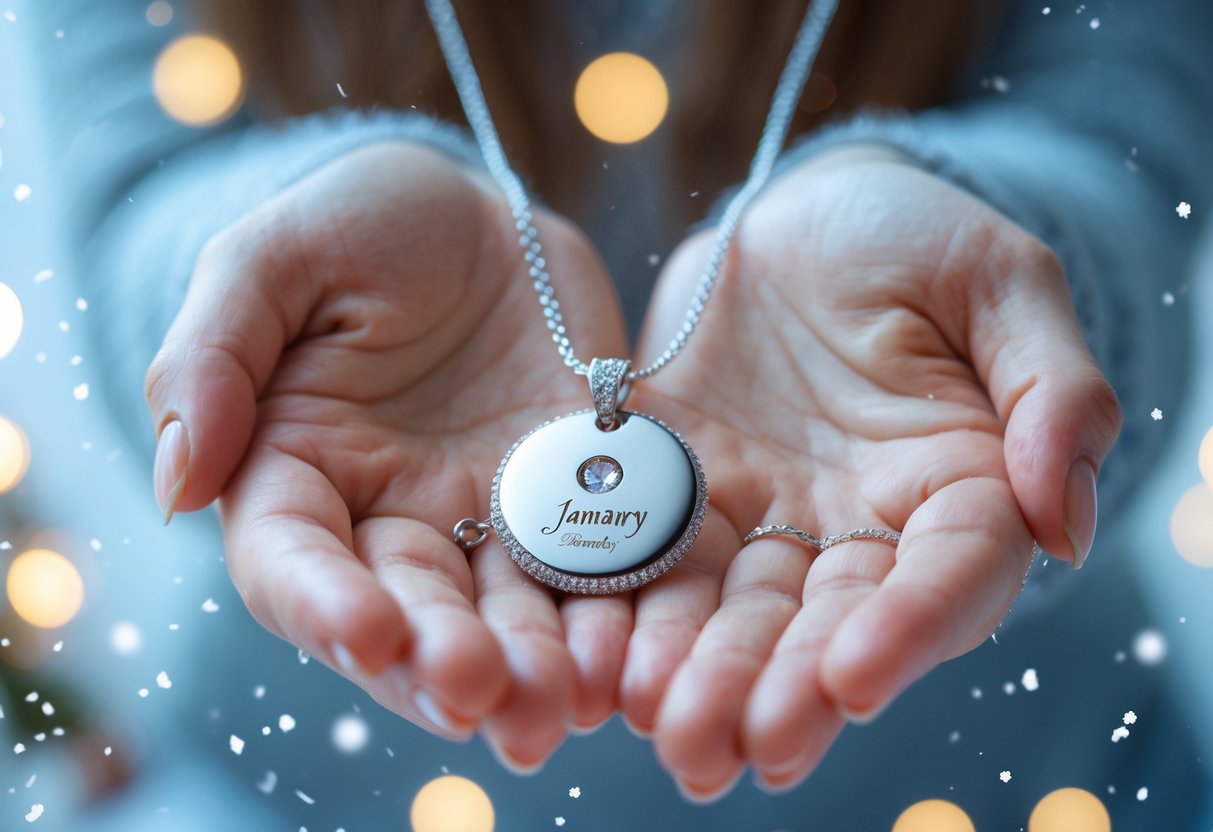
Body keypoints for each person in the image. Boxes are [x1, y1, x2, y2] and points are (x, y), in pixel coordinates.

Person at [25, 0, 1213, 827]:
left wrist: (997, 258)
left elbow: (1134, 136)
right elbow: (136, 171)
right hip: (294, 791)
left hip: (1037, 780)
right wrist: (258, 271)